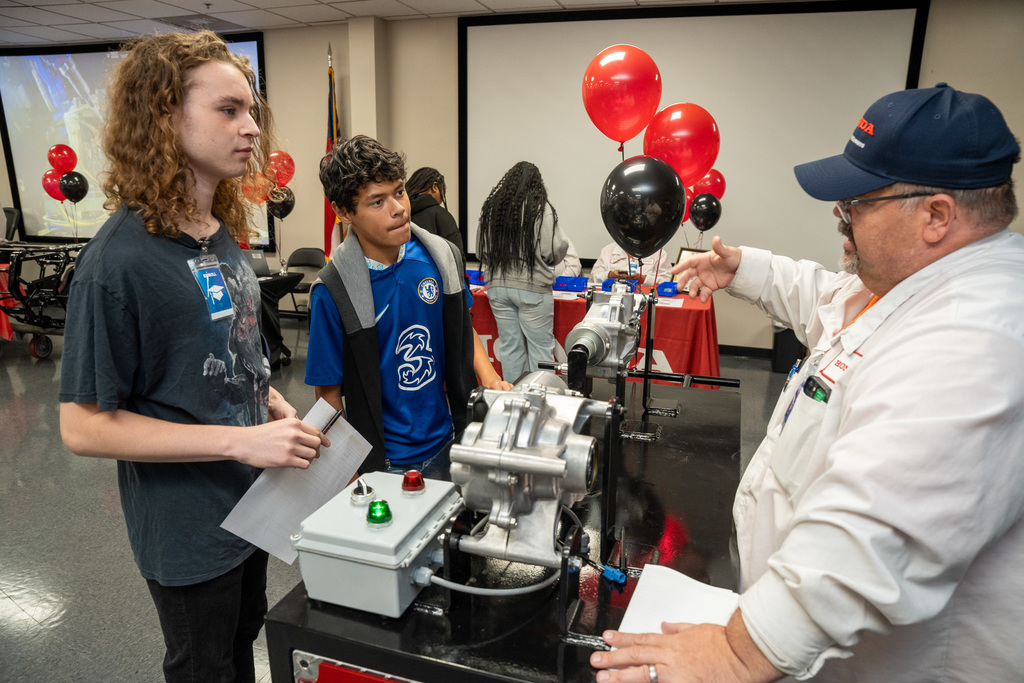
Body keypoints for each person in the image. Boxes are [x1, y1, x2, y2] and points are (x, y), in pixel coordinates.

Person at [590, 83, 1024, 682]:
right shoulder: (911, 283)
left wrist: (739, 654)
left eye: (858, 204)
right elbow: (825, 296)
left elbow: (867, 536)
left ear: (936, 215)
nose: (840, 217)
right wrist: (743, 268)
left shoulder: (976, 336)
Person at [58, 31, 328, 683]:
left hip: (251, 505)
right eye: (228, 110)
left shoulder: (218, 235)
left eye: (252, 110)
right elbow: (82, 425)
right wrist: (240, 443)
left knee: (241, 648)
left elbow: (219, 346)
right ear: (163, 117)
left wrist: (265, 397)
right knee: (204, 665)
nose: (251, 127)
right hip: (188, 527)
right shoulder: (117, 263)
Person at [307, 136, 509, 480]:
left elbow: (463, 326)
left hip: (449, 441)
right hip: (384, 463)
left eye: (399, 192)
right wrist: (347, 471)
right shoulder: (333, 290)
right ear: (343, 212)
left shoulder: (439, 257)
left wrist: (490, 378)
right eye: (377, 201)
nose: (398, 208)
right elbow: (328, 396)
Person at [477, 161, 569, 383]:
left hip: (498, 288)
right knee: (541, 350)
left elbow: (482, 250)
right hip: (532, 289)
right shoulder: (541, 208)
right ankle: (539, 404)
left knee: (510, 348)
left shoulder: (492, 209)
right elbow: (556, 248)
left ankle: (516, 404)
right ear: (536, 184)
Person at [406, 166, 464, 259]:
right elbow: (457, 257)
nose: (443, 197)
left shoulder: (400, 214)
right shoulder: (441, 216)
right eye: (443, 190)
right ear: (435, 187)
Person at [589, 242, 671, 286]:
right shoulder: (608, 250)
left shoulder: (659, 253)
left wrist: (643, 279)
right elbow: (594, 276)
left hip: (645, 302)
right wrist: (610, 275)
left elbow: (666, 282)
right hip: (610, 299)